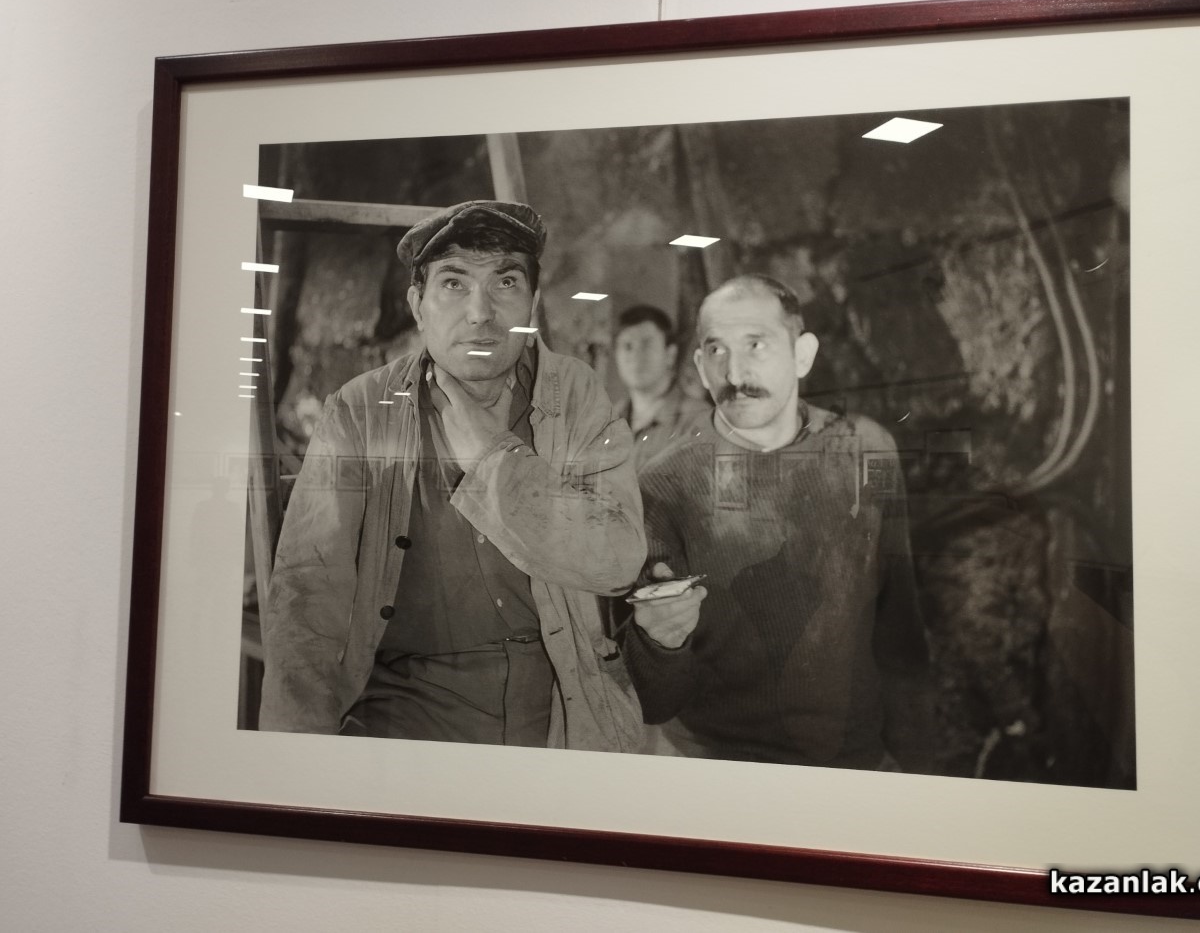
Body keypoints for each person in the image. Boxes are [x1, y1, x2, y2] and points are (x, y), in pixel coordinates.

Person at [259, 199, 646, 753]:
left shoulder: (576, 394)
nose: (480, 312)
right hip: (407, 713)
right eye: (453, 283)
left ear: (534, 301)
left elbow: (619, 559)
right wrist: (296, 756)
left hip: (559, 707)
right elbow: (308, 597)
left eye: (506, 282)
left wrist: (490, 452)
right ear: (417, 305)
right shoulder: (361, 409)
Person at [620, 275, 934, 771]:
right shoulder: (663, 485)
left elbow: (900, 631)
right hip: (718, 770)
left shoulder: (865, 449)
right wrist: (659, 642)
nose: (735, 371)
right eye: (717, 350)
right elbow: (654, 702)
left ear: (802, 355)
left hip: (856, 762)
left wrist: (916, 769)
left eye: (756, 344)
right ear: (700, 367)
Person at [611, 305, 709, 470]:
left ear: (670, 354)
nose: (636, 356)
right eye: (627, 346)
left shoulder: (698, 419)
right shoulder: (608, 421)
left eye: (647, 345)